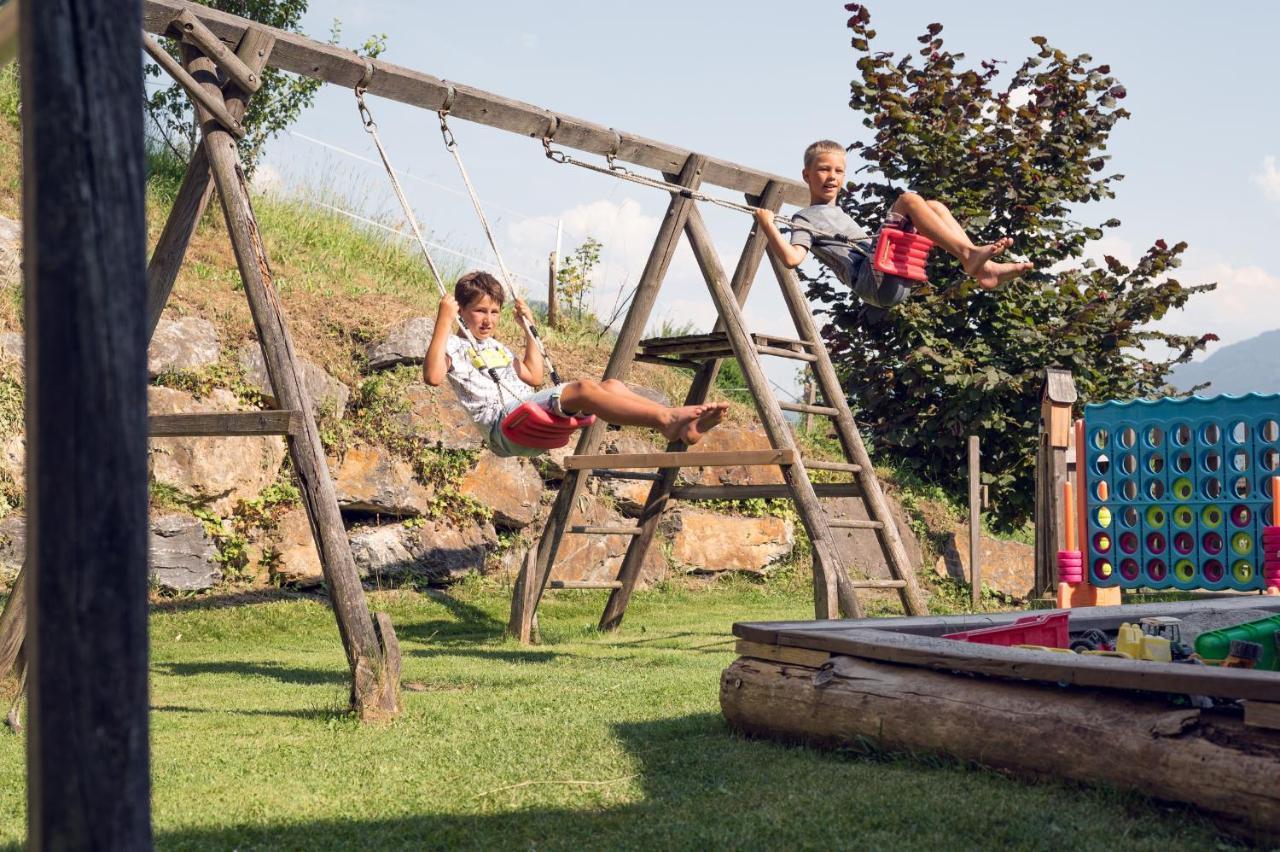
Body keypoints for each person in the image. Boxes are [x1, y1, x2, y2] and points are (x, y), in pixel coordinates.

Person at [424, 271, 728, 457]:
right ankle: (667, 420)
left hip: (527, 414)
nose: (488, 319)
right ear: (461, 311)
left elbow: (533, 375)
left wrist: (528, 329)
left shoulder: (498, 349)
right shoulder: (453, 345)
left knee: (611, 386)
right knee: (582, 388)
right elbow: (434, 376)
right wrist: (443, 322)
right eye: (479, 311)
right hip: (504, 427)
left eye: (494, 312)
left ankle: (682, 427)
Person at [754, 139, 1033, 315]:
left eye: (838, 171)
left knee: (934, 207)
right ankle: (971, 258)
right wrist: (768, 225)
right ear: (806, 174)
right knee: (909, 200)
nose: (831, 177)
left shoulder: (838, 213)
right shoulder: (804, 218)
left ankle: (982, 269)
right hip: (871, 280)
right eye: (823, 169)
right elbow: (791, 259)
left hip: (891, 278)